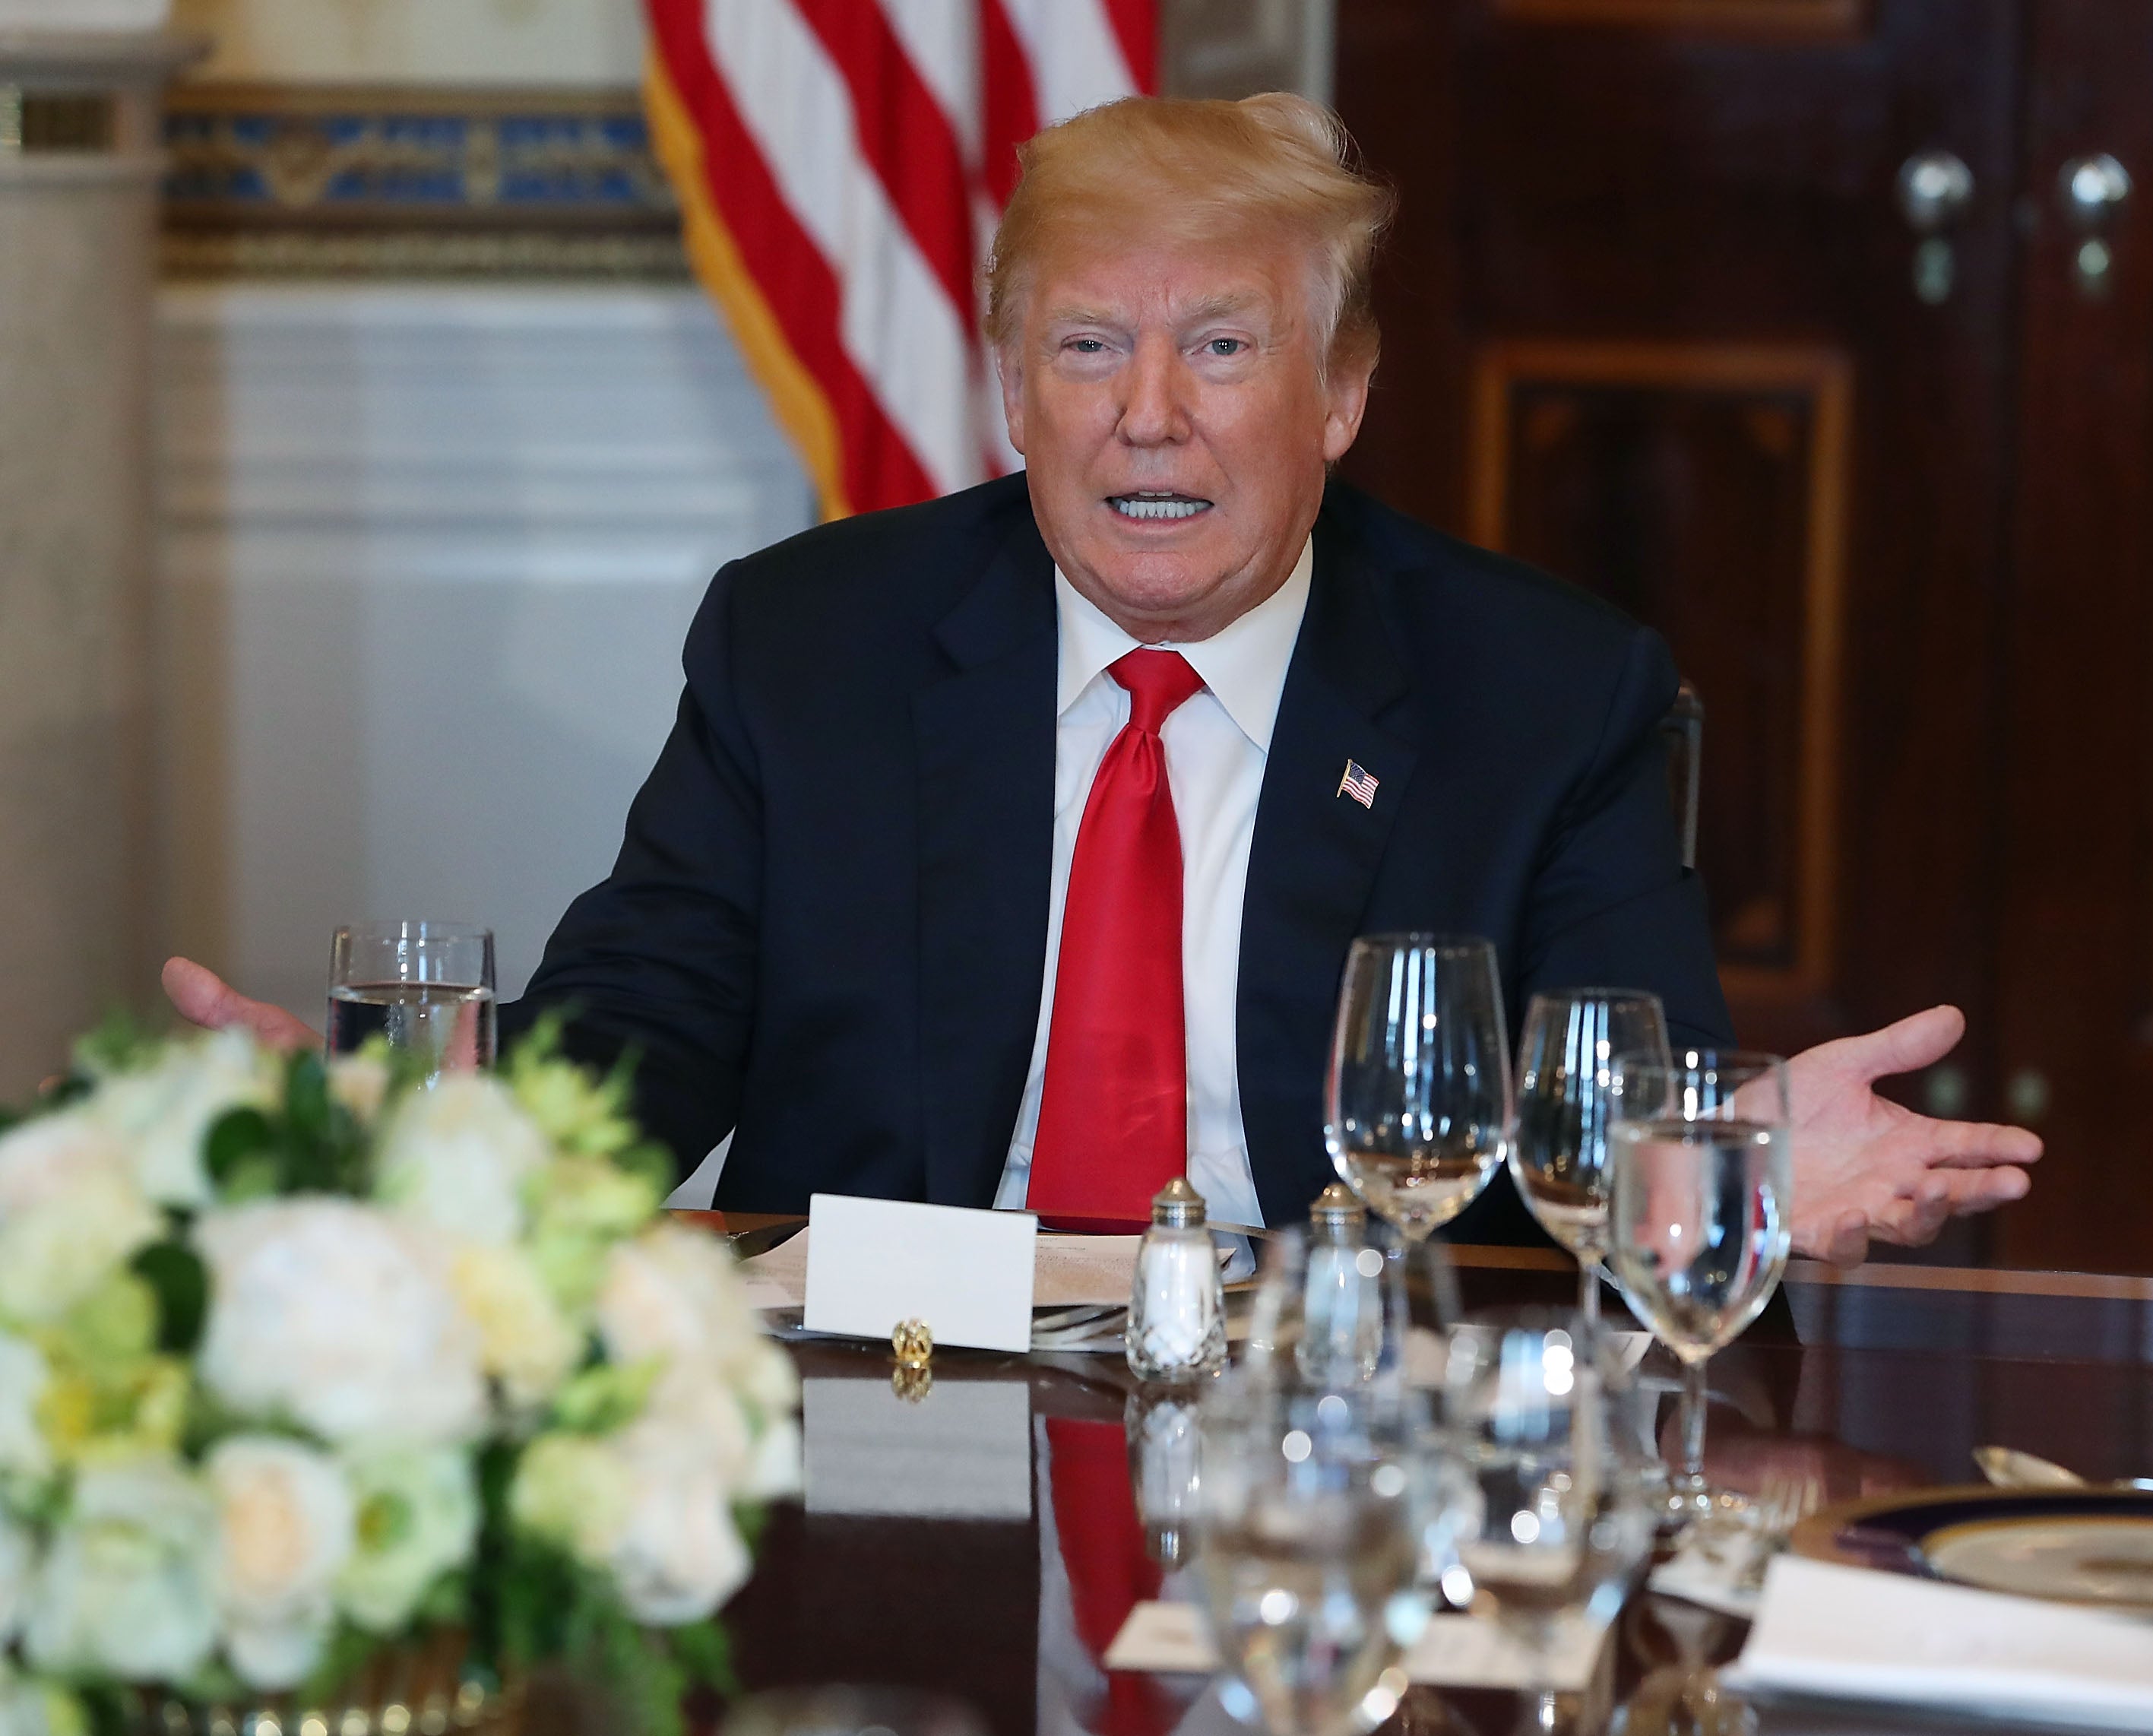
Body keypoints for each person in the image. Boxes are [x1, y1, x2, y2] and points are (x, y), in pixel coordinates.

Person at [161, 93, 2038, 1264]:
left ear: (1343, 394)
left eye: (1222, 344)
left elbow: (1607, 1125)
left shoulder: (1542, 692)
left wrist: (1739, 1163)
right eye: (1086, 344)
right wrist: (439, 1131)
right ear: (1009, 386)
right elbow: (643, 1024)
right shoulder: (807, 639)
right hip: (884, 1407)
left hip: (1327, 1405)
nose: (1149, 414)